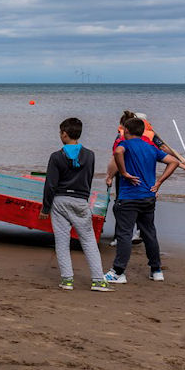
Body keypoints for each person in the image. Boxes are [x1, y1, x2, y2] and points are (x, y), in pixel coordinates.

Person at [104, 116, 185, 284]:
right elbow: (174, 162)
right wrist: (159, 183)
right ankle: (156, 270)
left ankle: (118, 272)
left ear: (126, 131)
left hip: (129, 198)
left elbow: (117, 153)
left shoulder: (124, 144)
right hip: (148, 197)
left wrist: (123, 173)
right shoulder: (150, 147)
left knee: (125, 235)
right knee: (149, 233)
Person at [38, 118, 111, 292]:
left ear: (64, 134)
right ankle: (98, 280)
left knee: (62, 242)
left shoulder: (56, 156)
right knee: (88, 241)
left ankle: (67, 280)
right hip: (80, 200)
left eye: (60, 133)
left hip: (60, 201)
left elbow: (50, 184)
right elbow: (89, 177)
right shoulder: (90, 155)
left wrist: (45, 207)